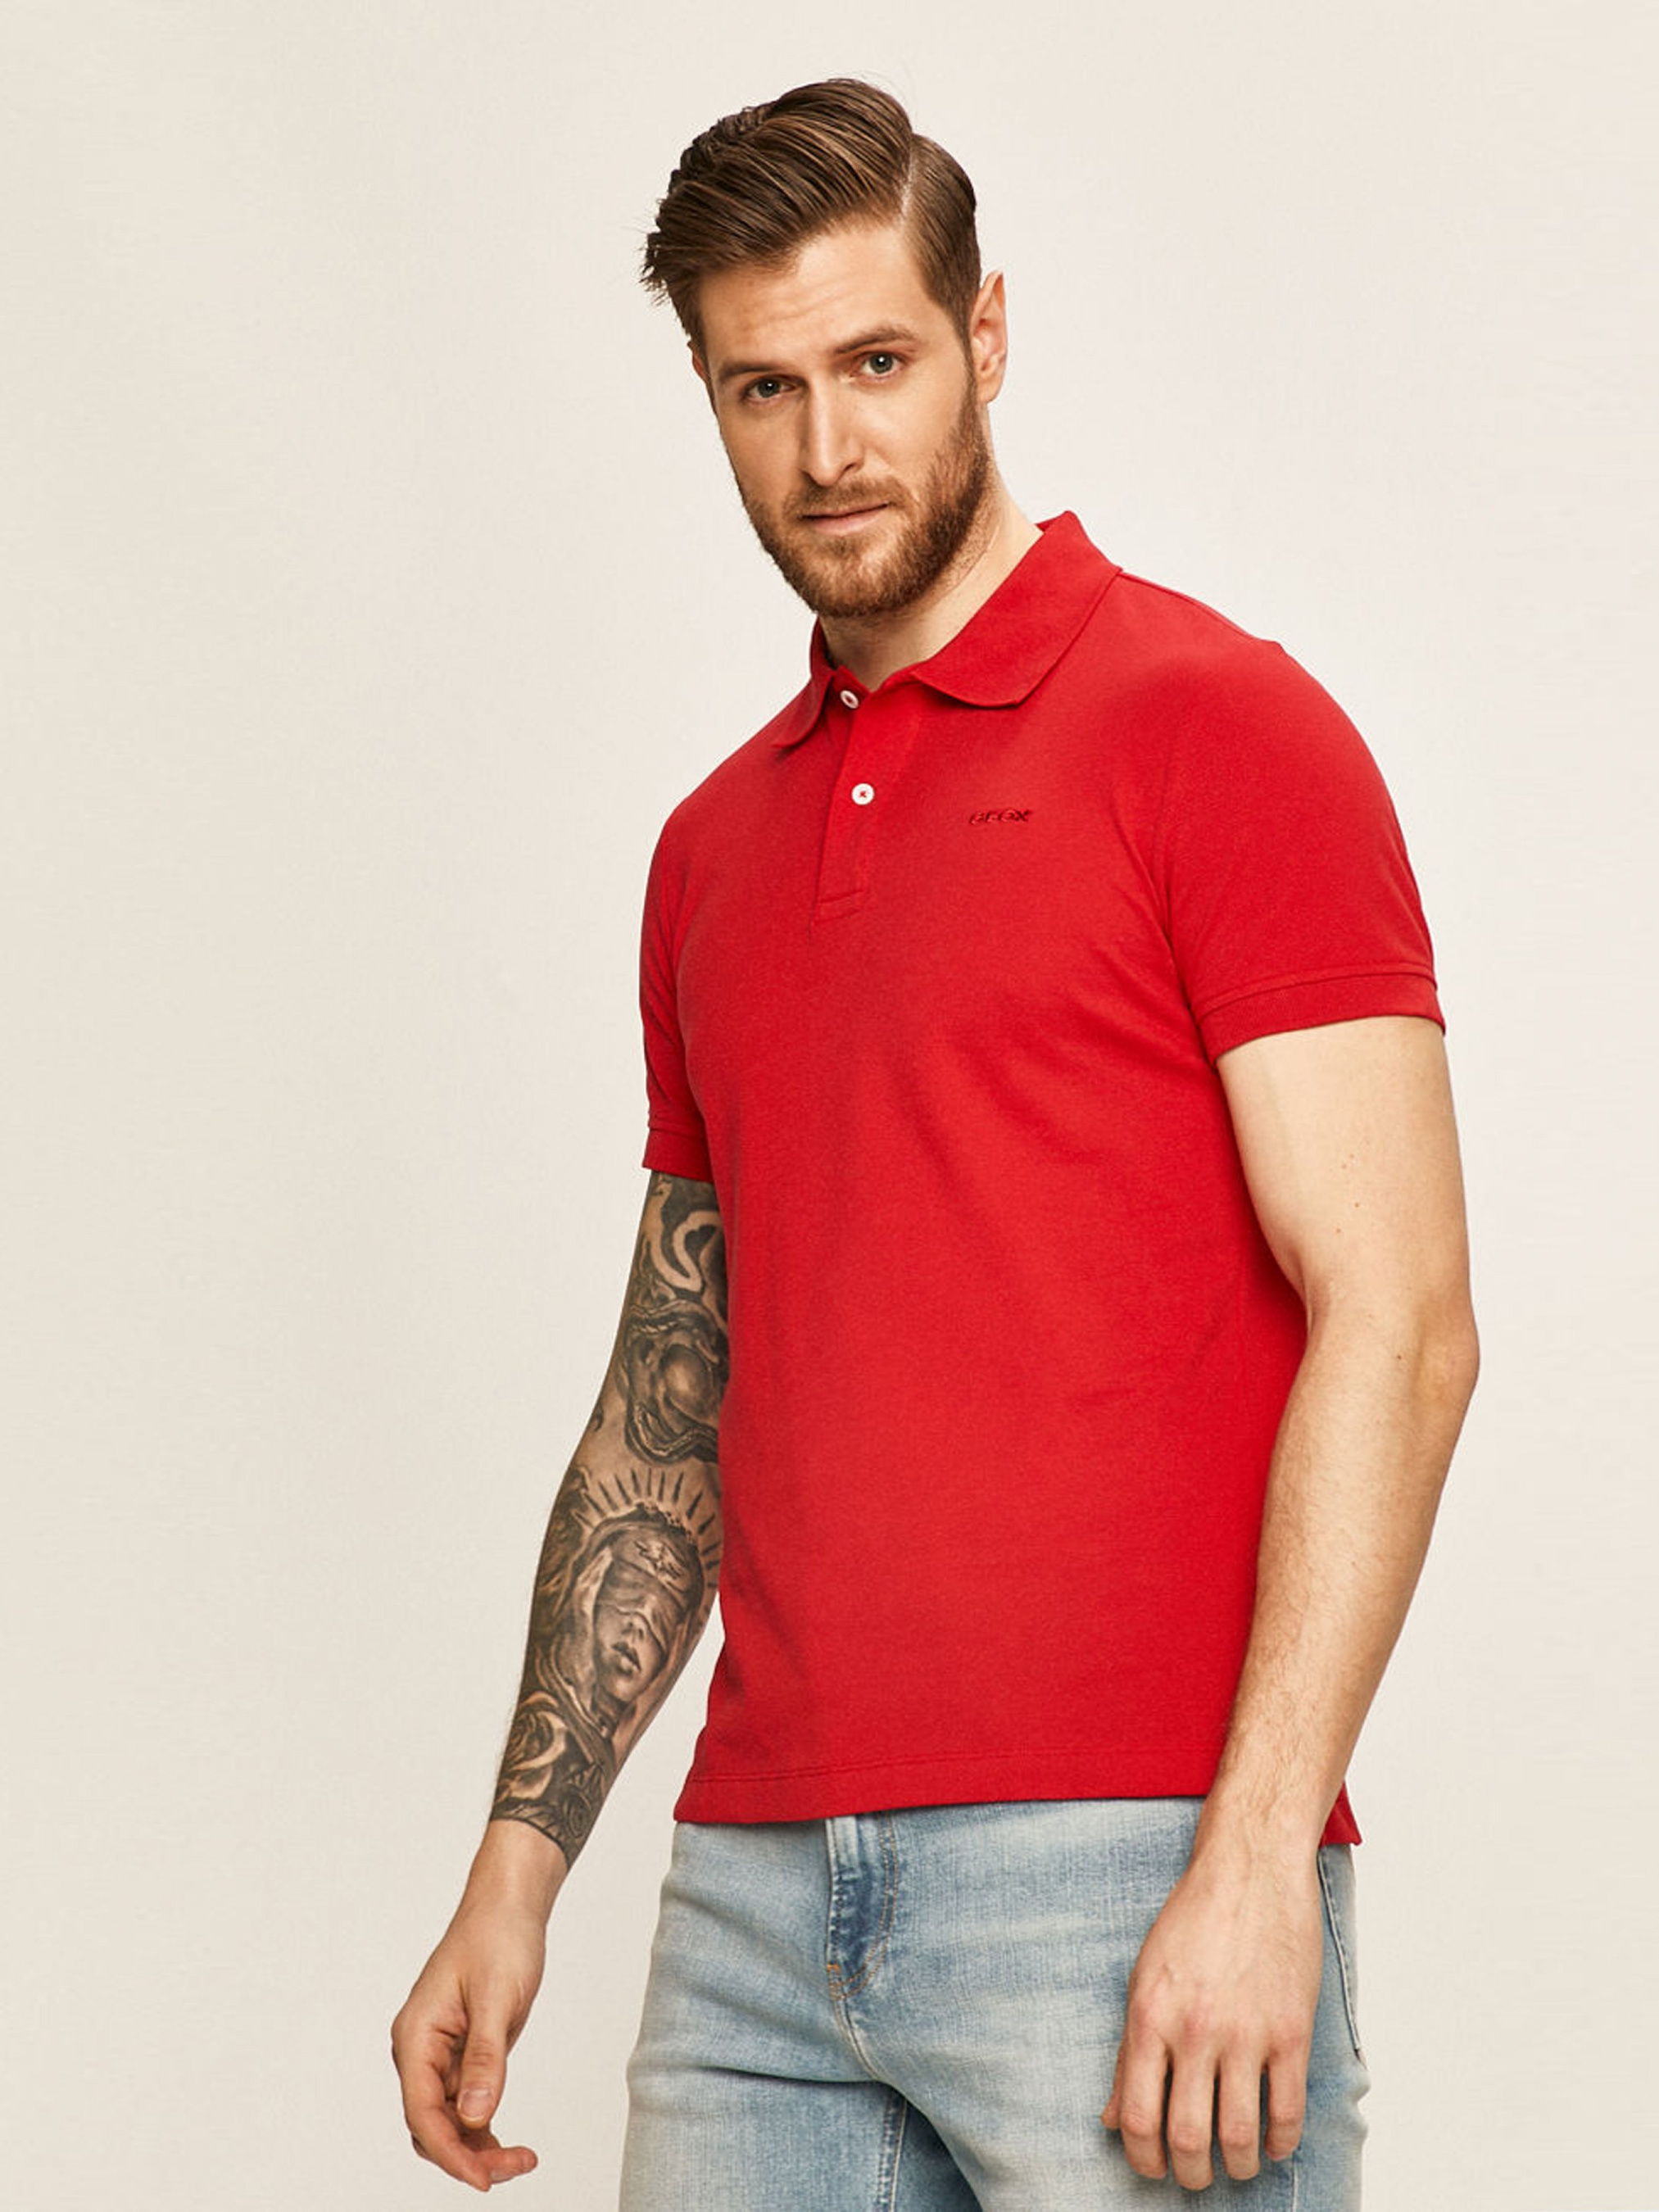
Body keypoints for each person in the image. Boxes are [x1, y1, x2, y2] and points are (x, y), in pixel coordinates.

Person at [392, 78, 1478, 2208]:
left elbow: (1405, 1317)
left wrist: (1256, 1851)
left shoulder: (1214, 726)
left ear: (985, 334)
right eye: (762, 387)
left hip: (1124, 1877)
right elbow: (674, 1386)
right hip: (750, 1907)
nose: (828, 447)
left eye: (876, 362)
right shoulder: (710, 851)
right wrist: (517, 1868)